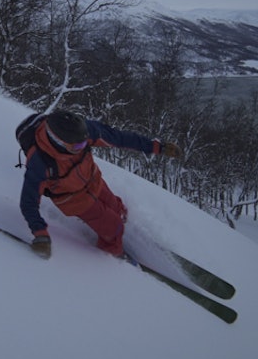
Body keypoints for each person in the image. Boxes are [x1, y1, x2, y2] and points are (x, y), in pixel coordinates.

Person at [19, 110, 180, 259]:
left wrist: (158, 147)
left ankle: (123, 235)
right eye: (78, 146)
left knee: (119, 209)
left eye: (84, 144)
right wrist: (41, 234)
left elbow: (119, 138)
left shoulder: (82, 133)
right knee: (114, 226)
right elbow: (28, 203)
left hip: (93, 181)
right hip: (74, 201)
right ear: (59, 143)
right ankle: (112, 255)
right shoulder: (40, 163)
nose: (83, 146)